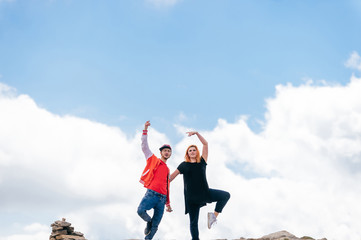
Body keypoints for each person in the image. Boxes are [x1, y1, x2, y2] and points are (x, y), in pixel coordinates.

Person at [170, 131, 230, 240]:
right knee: (193, 223)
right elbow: (170, 178)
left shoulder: (202, 161)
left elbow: (205, 144)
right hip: (191, 198)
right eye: (190, 150)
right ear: (187, 153)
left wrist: (197, 133)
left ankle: (213, 217)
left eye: (194, 150)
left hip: (205, 193)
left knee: (225, 195)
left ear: (197, 152)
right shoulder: (184, 165)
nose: (192, 152)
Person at [137, 121, 173, 240]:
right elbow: (144, 146)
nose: (167, 152)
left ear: (170, 154)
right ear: (161, 152)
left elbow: (167, 186)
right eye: (165, 151)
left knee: (156, 225)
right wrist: (145, 129)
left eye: (169, 151)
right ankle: (149, 221)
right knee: (141, 210)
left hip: (162, 199)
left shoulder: (168, 169)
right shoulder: (153, 159)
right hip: (151, 194)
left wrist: (167, 203)